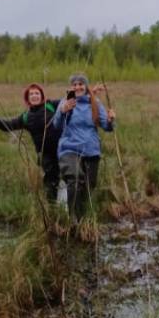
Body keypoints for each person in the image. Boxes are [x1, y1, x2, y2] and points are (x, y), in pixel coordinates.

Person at [0, 83, 62, 202]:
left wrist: (88, 92)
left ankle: (75, 211)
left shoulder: (50, 105)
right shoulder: (25, 117)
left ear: (41, 96)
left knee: (71, 178)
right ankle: (53, 210)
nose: (34, 96)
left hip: (63, 149)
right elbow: (7, 126)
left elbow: (69, 100)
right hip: (45, 155)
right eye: (31, 94)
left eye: (37, 93)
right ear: (27, 98)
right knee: (51, 183)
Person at [52, 73, 115, 220]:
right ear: (71, 87)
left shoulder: (95, 103)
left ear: (86, 86)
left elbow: (106, 126)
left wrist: (111, 119)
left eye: (81, 84)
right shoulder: (66, 102)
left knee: (89, 186)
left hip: (91, 150)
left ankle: (83, 219)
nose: (77, 87)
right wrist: (62, 112)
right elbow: (56, 125)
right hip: (69, 148)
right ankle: (73, 219)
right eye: (74, 84)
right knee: (75, 178)